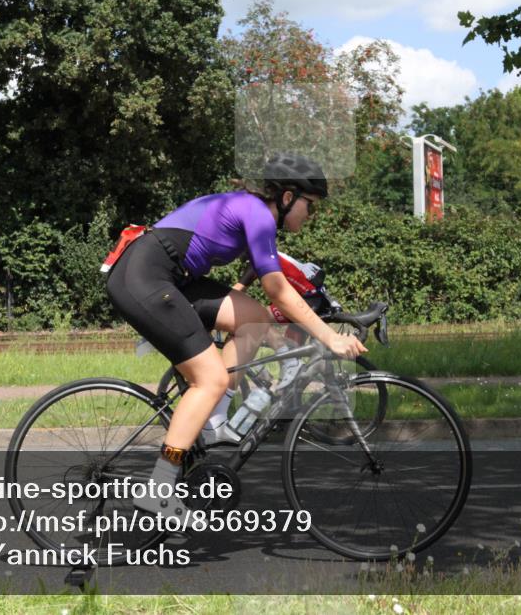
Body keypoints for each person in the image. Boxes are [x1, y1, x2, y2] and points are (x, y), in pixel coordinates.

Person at [105, 153, 367, 522]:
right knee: (208, 378)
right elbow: (277, 289)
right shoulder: (257, 213)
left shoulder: (255, 215)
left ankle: (212, 420)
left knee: (254, 319)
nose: (312, 214)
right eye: (310, 205)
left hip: (173, 278)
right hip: (146, 277)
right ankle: (159, 490)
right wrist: (328, 337)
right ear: (288, 196)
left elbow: (267, 276)